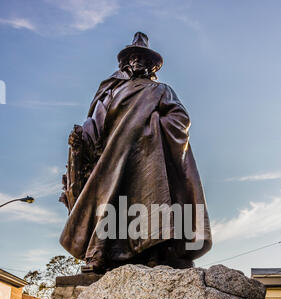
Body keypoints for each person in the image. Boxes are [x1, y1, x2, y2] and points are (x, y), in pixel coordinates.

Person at [59, 32, 212, 273]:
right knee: (110, 201)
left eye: (143, 58)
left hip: (148, 156)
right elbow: (96, 123)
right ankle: (101, 252)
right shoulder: (110, 93)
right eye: (133, 57)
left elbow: (180, 119)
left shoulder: (161, 90)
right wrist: (81, 138)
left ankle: (154, 251)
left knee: (151, 203)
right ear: (126, 63)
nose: (138, 61)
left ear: (151, 65)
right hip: (114, 156)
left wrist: (153, 126)